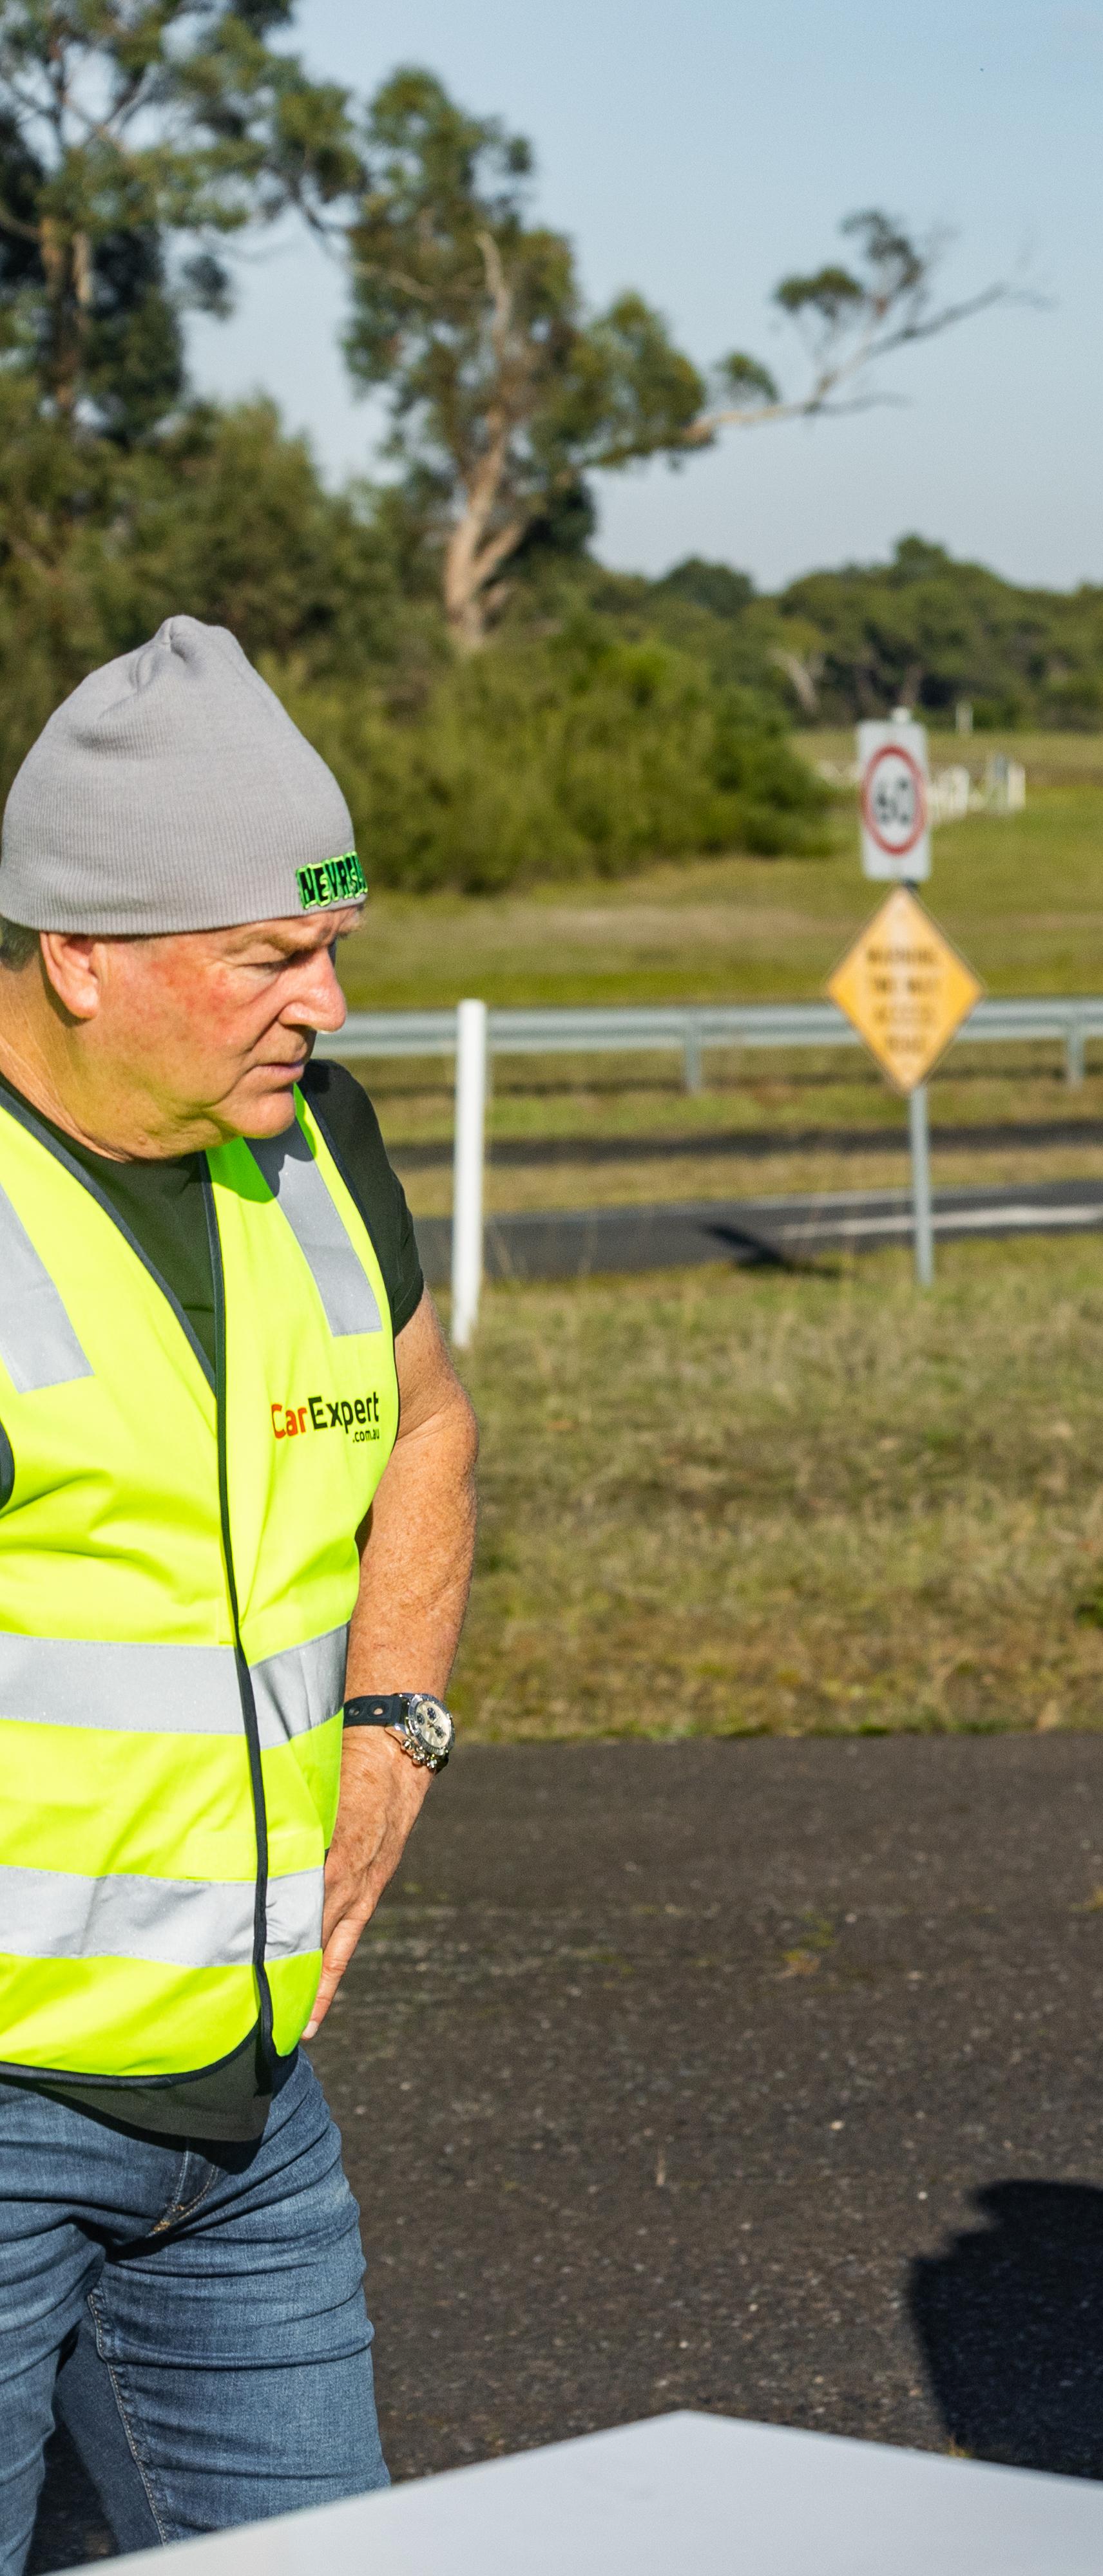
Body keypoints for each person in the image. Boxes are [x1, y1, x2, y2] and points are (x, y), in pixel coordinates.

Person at [0, 619, 477, 2558]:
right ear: (80, 956)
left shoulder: (320, 1160)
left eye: (334, 947)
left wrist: (396, 1725)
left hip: (252, 2115)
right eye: (271, 957)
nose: (331, 1005)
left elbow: (428, 1427)